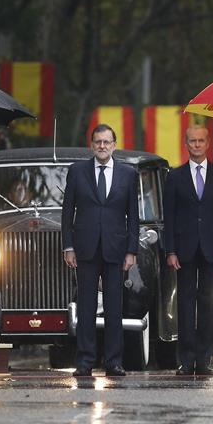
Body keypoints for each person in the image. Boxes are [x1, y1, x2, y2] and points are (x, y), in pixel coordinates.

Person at [61, 124, 139, 377]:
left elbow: (134, 217)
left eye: (107, 142)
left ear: (114, 145)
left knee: (115, 307)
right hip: (85, 247)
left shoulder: (128, 174)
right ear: (92, 145)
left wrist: (131, 250)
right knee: (85, 307)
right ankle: (85, 361)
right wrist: (68, 245)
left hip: (116, 248)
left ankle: (114, 361)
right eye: (98, 142)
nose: (102, 146)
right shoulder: (77, 171)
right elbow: (67, 212)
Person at [163, 125, 213, 376]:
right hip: (183, 248)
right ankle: (186, 360)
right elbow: (168, 216)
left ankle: (204, 360)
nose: (196, 145)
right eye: (192, 141)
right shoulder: (175, 176)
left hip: (212, 247)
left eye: (200, 141)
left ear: (208, 143)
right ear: (186, 143)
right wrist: (169, 250)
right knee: (184, 304)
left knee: (208, 304)